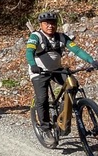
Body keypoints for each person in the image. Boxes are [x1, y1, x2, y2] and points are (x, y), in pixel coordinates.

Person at [26, 10, 96, 141]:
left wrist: (92, 61)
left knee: (73, 84)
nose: (50, 26)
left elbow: (77, 50)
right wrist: (33, 64)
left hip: (56, 69)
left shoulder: (61, 37)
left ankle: (64, 114)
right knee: (42, 98)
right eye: (47, 23)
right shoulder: (36, 37)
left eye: (53, 23)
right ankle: (46, 128)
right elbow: (29, 52)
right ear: (41, 25)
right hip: (39, 72)